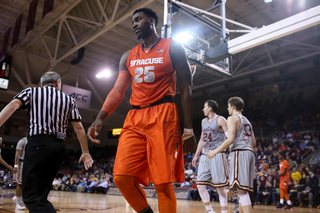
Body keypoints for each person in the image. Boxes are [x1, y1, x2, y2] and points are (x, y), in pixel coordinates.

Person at [87, 8, 195, 213]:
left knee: (163, 183)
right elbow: (118, 90)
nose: (134, 24)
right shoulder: (128, 56)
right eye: (133, 21)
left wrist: (188, 129)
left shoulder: (173, 47)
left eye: (138, 19)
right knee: (121, 177)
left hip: (163, 113)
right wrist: (100, 117)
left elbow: (186, 87)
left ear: (151, 20)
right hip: (135, 117)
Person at [0, 71, 94, 213]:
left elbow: (13, 104)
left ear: (42, 84)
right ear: (57, 83)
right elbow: (79, 127)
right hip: (58, 148)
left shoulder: (32, 92)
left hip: (38, 144)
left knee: (32, 197)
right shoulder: (69, 100)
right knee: (40, 195)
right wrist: (85, 152)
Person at [206, 97, 256, 213]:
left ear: (233, 106)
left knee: (242, 192)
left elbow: (230, 139)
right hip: (250, 153)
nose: (228, 109)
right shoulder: (247, 120)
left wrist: (214, 151)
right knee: (242, 190)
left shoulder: (232, 118)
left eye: (228, 106)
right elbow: (254, 142)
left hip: (240, 152)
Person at [192, 100, 228, 213]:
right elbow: (202, 139)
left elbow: (229, 137)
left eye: (205, 107)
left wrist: (230, 151)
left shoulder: (221, 120)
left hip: (217, 155)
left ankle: (224, 211)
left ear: (210, 108)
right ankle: (209, 210)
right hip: (204, 156)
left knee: (220, 188)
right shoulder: (203, 121)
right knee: (200, 185)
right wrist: (196, 155)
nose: (203, 109)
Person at [12, 137, 27, 210]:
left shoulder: (36, 140)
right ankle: (18, 202)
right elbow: (17, 153)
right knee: (19, 183)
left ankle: (21, 197)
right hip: (22, 163)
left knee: (27, 184)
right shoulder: (23, 141)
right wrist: (16, 165)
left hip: (31, 163)